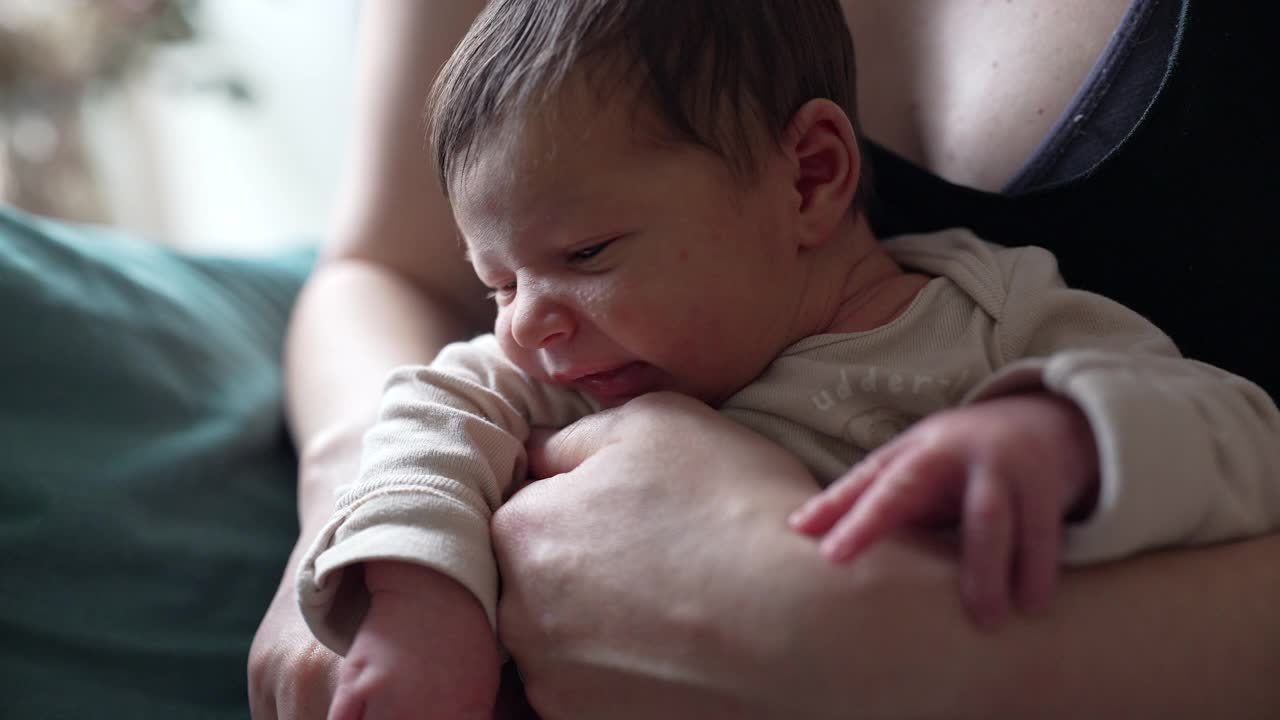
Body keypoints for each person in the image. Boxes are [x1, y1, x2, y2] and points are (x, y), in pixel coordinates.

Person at [250, 0, 1280, 718]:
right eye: (498, 283)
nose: (522, 325)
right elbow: (426, 414)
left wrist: (1059, 433)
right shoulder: (555, 365)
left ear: (809, 179)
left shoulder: (992, 324)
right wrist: (413, 594)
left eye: (586, 255)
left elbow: (1236, 427)